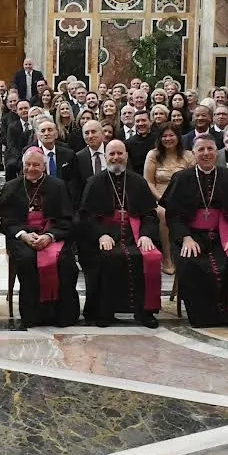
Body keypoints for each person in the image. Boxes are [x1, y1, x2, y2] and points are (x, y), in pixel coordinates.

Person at [165, 131, 228, 326]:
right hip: (192, 235)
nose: (206, 153)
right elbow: (174, 216)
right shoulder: (181, 178)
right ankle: (202, 318)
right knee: (191, 264)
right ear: (193, 153)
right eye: (201, 149)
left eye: (210, 149)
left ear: (217, 151)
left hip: (223, 235)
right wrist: (185, 238)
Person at [79, 139, 161, 327]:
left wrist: (146, 234)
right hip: (105, 236)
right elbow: (85, 216)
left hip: (135, 235)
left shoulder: (138, 182)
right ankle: (104, 312)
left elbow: (150, 213)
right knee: (107, 258)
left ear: (126, 155)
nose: (116, 157)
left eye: (120, 153)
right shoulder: (94, 182)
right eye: (112, 154)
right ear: (106, 156)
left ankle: (145, 312)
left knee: (146, 257)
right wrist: (100, 234)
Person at [0, 145, 80, 328]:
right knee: (27, 260)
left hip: (52, 235)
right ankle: (32, 316)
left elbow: (67, 220)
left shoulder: (58, 186)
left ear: (44, 167)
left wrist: (50, 236)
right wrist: (24, 235)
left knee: (65, 261)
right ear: (22, 165)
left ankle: (62, 315)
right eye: (28, 164)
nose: (31, 169)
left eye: (36, 165)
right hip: (23, 237)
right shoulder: (12, 187)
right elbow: (6, 222)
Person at [144, 123, 193, 274]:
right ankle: (167, 258)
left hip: (183, 198)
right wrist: (163, 200)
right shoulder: (153, 155)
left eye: (171, 135)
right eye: (164, 136)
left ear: (178, 137)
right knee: (164, 213)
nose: (168, 139)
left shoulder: (188, 156)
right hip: (158, 198)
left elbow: (193, 181)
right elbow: (148, 182)